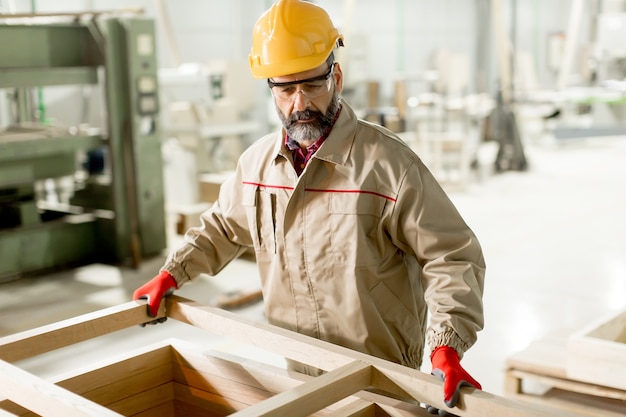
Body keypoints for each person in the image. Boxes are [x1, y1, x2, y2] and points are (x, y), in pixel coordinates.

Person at [134, 0, 485, 413]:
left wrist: (447, 344)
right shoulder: (257, 165)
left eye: (312, 84)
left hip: (383, 375)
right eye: (285, 88)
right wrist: (173, 272)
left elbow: (451, 255)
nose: (299, 102)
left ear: (335, 75)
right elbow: (223, 230)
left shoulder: (389, 166)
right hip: (297, 369)